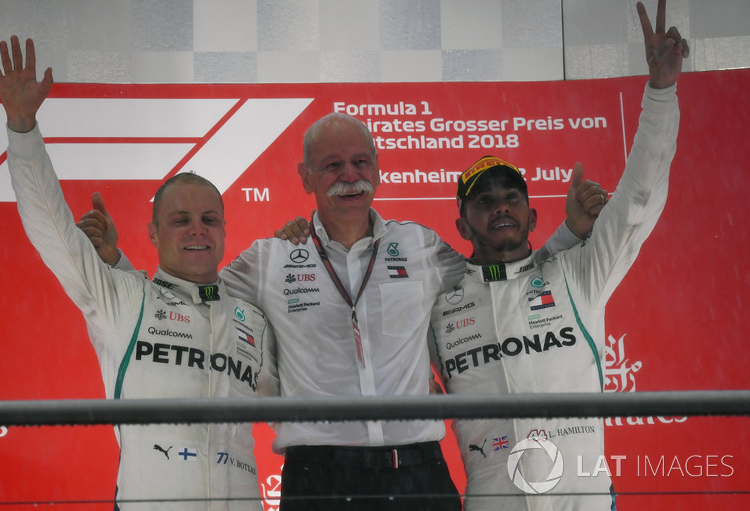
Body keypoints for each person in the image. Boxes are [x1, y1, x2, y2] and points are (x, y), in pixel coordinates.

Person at [83, 65, 604, 511]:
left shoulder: (419, 245)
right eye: (332, 165)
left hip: (416, 472)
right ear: (306, 175)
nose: (348, 175)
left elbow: (504, 277)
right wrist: (116, 263)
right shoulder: (272, 258)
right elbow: (183, 293)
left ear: (377, 170)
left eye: (360, 163)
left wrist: (568, 236)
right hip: (319, 479)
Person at [0, 36, 275, 511]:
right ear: (153, 234)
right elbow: (52, 230)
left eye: (209, 219)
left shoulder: (252, 318)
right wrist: (23, 130)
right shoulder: (124, 299)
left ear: (226, 230)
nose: (197, 231)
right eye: (180, 220)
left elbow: (307, 397)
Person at [428, 0, 686, 510]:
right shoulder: (436, 307)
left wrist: (660, 94)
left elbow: (637, 200)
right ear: (461, 223)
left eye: (512, 197)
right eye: (484, 200)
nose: (500, 207)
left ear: (533, 215)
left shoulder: (577, 275)